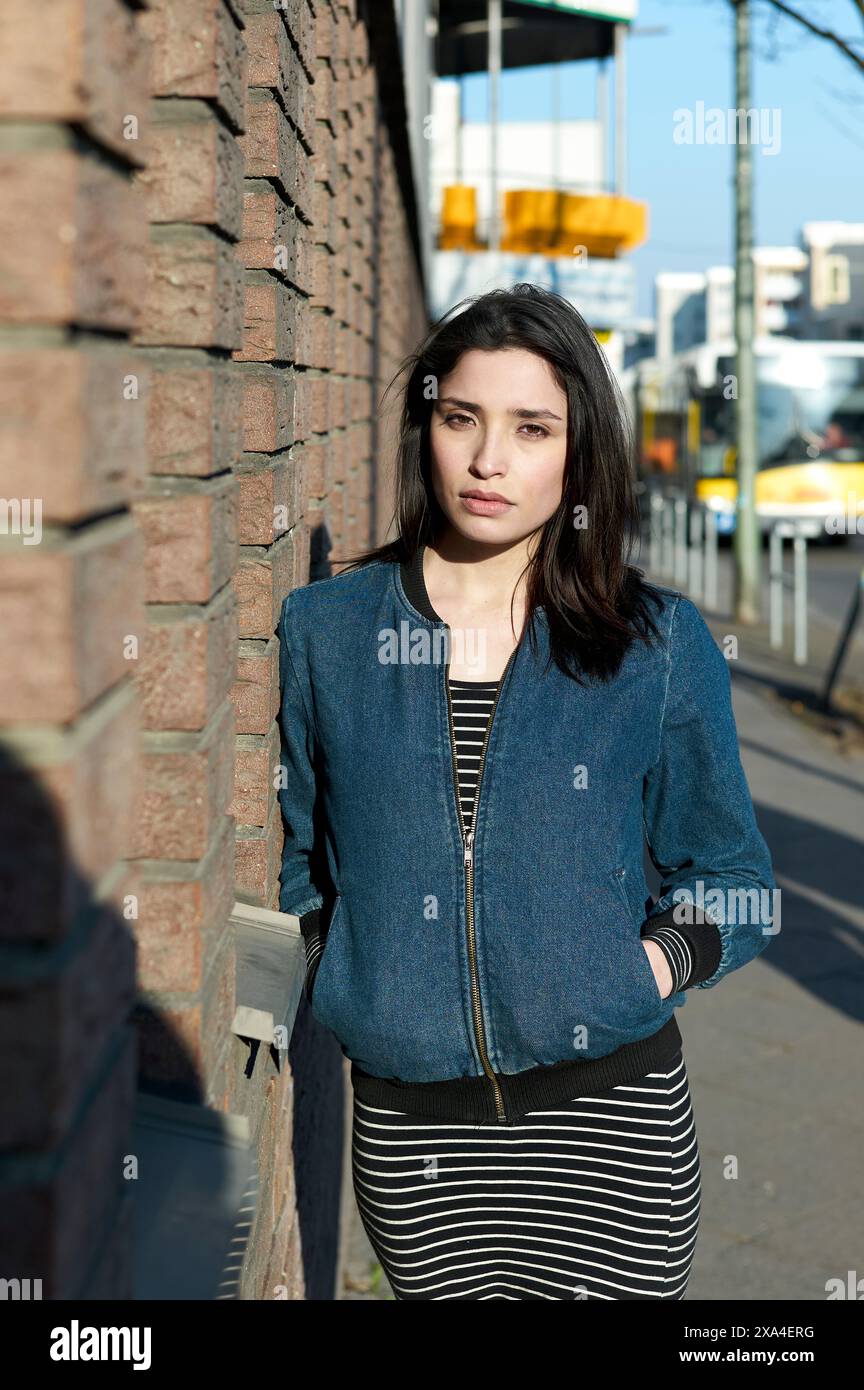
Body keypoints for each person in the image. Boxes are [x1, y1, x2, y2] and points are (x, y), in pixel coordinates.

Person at [277, 283, 776, 1301]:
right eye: (461, 418)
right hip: (418, 1148)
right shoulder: (327, 631)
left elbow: (733, 877)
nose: (488, 460)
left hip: (614, 1133)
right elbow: (300, 868)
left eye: (531, 427)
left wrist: (645, 967)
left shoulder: (654, 641)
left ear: (578, 450)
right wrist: (358, 982)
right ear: (427, 425)